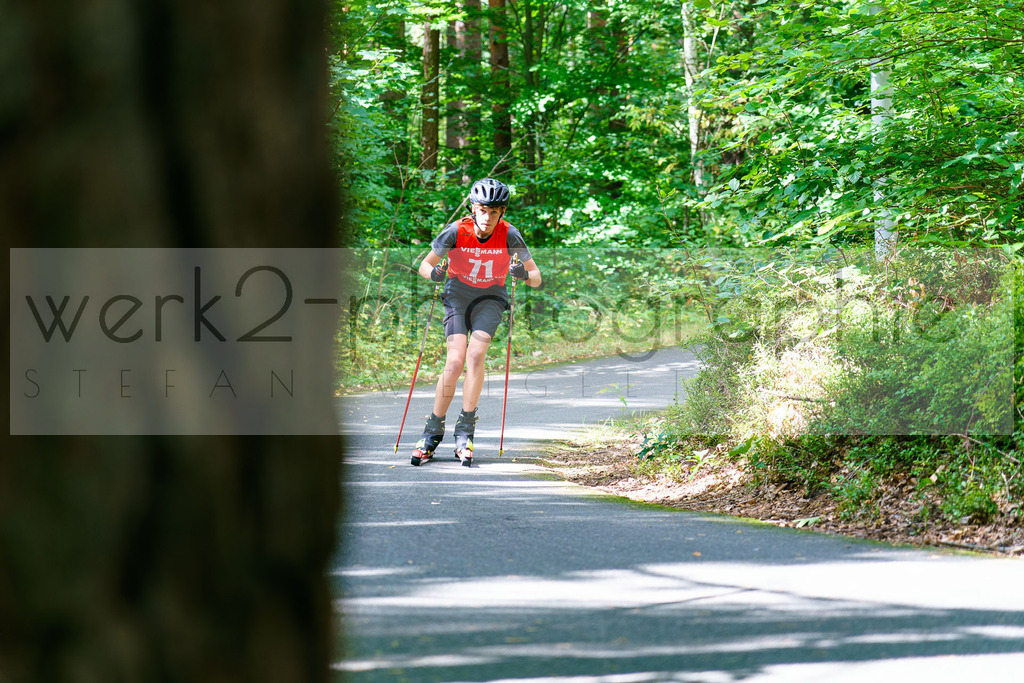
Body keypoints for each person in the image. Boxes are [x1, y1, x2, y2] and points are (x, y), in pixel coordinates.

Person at [411, 178, 542, 467]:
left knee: (476, 354)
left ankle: (465, 430)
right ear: (473, 208)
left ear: (502, 213)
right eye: (482, 210)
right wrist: (433, 274)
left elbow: (536, 278)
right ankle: (432, 430)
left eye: (494, 211)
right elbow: (425, 264)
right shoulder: (457, 231)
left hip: (491, 296)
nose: (487, 217)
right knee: (455, 360)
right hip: (458, 293)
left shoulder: (510, 235)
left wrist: (521, 273)